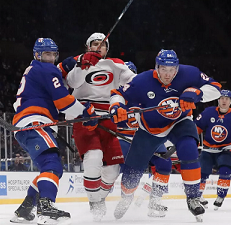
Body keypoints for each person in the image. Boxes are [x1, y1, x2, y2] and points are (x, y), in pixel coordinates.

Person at [109, 49, 222, 222]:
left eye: (171, 70)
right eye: (163, 69)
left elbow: (216, 88)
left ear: (177, 67)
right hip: (149, 129)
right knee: (132, 172)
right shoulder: (141, 81)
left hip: (179, 122)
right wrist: (116, 107)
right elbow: (118, 94)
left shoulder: (190, 73)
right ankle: (126, 197)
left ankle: (192, 197)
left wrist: (197, 93)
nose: (167, 74)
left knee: (189, 147)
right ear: (156, 67)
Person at [10, 38, 97, 225]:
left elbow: (59, 72)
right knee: (53, 165)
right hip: (35, 122)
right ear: (37, 55)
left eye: (52, 54)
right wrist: (85, 112)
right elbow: (63, 101)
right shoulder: (47, 70)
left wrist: (77, 59)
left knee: (48, 169)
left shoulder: (36, 69)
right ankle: (46, 206)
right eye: (46, 54)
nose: (50, 58)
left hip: (28, 124)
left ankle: (25, 210)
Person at [66, 33, 136, 221]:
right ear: (88, 47)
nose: (98, 47)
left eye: (102, 44)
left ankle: (99, 198)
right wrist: (83, 64)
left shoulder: (116, 63)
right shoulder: (80, 62)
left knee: (113, 170)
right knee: (94, 158)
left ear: (107, 49)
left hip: (107, 117)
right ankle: (94, 201)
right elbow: (72, 83)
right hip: (84, 116)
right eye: (94, 44)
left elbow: (134, 82)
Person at [119, 61, 172, 218]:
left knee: (165, 164)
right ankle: (126, 197)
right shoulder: (117, 94)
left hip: (147, 136)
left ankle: (155, 201)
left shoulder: (146, 91)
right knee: (131, 171)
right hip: (123, 136)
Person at [194, 89, 231, 210]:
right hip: (208, 148)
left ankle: (221, 196)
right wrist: (191, 139)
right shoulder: (208, 112)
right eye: (221, 98)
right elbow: (197, 128)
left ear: (230, 101)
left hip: (227, 148)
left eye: (227, 99)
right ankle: (197, 196)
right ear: (218, 100)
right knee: (202, 174)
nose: (224, 101)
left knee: (225, 172)